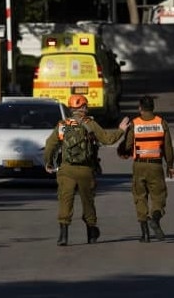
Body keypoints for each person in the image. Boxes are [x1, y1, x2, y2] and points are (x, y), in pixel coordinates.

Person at [44, 94, 130, 246]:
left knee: (65, 201)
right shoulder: (90, 124)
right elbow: (107, 139)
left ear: (71, 108)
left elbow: (50, 145)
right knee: (88, 202)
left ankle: (63, 236)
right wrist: (121, 130)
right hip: (86, 170)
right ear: (83, 107)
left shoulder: (63, 125)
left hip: (66, 170)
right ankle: (91, 234)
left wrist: (48, 163)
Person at [120, 96, 174, 242]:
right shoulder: (161, 122)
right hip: (156, 165)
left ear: (140, 108)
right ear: (153, 108)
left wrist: (123, 151)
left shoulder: (135, 123)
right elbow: (168, 147)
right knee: (159, 196)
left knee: (140, 197)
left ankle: (145, 234)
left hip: (139, 165)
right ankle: (155, 219)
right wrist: (170, 165)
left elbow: (127, 146)